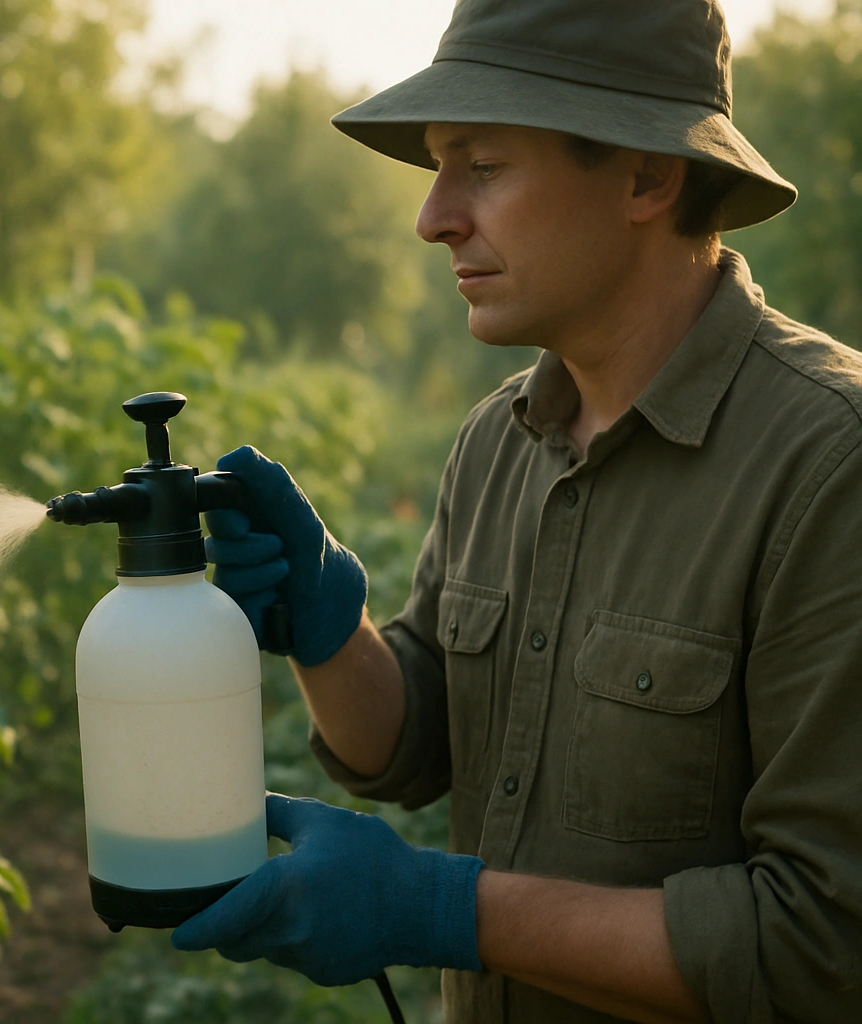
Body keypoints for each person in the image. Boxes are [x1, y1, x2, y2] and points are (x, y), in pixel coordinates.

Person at [170, 1, 862, 1022]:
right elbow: (416, 747)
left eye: (482, 166)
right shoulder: (503, 438)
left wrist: (443, 909)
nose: (434, 215)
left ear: (646, 174)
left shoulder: (827, 465)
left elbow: (821, 945)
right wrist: (329, 634)